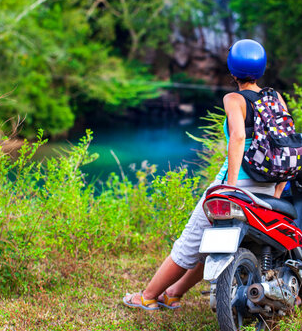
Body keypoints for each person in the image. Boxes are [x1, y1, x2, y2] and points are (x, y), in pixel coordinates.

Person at [122, 39, 288, 310]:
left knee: (189, 243)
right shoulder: (276, 98)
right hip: (267, 189)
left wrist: (230, 188)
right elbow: (287, 143)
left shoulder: (233, 98)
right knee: (214, 241)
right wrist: (278, 190)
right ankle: (174, 293)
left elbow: (237, 137)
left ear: (232, 71)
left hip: (236, 185)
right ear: (262, 68)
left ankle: (148, 297)